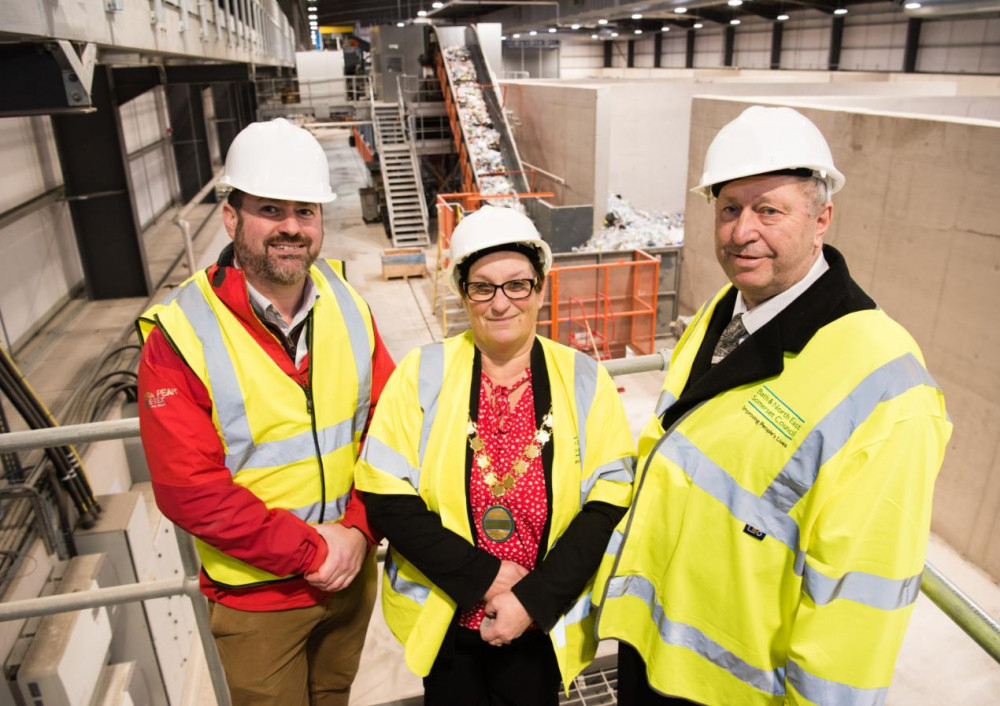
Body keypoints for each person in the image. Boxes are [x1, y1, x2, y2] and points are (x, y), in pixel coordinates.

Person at [593, 106, 951, 705]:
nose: (741, 232)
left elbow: (857, 614)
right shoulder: (724, 311)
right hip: (651, 654)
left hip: (737, 691)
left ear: (821, 219)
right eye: (729, 208)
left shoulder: (888, 390)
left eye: (769, 210)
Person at [136, 118, 394, 706]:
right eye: (271, 210)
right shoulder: (180, 335)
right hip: (261, 603)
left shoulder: (346, 301)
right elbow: (190, 490)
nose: (291, 229)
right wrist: (314, 550)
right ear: (232, 219)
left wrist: (358, 529)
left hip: (351, 577)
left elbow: (389, 425)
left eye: (305, 212)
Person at [355, 205, 636, 705]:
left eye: (517, 285)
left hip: (539, 624)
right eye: (483, 286)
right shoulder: (424, 373)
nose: (500, 303)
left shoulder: (584, 379)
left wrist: (532, 598)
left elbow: (608, 503)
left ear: (540, 288)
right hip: (448, 620)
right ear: (464, 294)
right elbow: (385, 494)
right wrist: (487, 577)